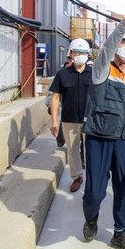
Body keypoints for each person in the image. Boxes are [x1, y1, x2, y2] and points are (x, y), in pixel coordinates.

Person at [82, 0, 125, 249]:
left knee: (123, 185)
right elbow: (107, 46)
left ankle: (120, 232)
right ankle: (92, 215)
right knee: (96, 189)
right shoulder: (102, 69)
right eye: (124, 43)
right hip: (99, 137)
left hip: (124, 138)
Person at [48, 38, 92, 193]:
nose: (80, 55)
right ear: (71, 54)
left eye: (83, 52)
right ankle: (77, 177)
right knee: (73, 150)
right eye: (77, 52)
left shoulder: (94, 74)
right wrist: (54, 120)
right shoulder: (62, 74)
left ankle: (93, 178)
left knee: (91, 149)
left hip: (90, 121)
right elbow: (55, 97)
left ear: (88, 55)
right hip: (69, 120)